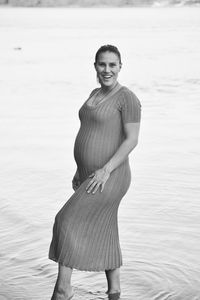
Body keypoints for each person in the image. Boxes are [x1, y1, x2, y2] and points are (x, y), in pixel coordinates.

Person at [49, 44, 141, 300]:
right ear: (95, 66)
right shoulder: (94, 93)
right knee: (106, 227)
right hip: (89, 174)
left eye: (113, 65)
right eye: (102, 64)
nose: (107, 69)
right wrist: (81, 170)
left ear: (121, 66)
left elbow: (131, 140)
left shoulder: (127, 98)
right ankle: (114, 290)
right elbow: (91, 133)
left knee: (65, 220)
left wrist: (105, 171)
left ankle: (64, 287)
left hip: (112, 175)